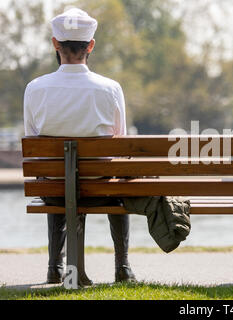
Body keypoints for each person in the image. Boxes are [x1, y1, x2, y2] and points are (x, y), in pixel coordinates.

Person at [23, 8, 135, 285]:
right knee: (116, 180)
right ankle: (123, 267)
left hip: (54, 191)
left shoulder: (35, 88)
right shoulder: (111, 88)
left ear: (55, 44)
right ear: (91, 45)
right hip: (101, 190)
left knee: (55, 176)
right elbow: (120, 141)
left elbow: (32, 140)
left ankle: (55, 267)